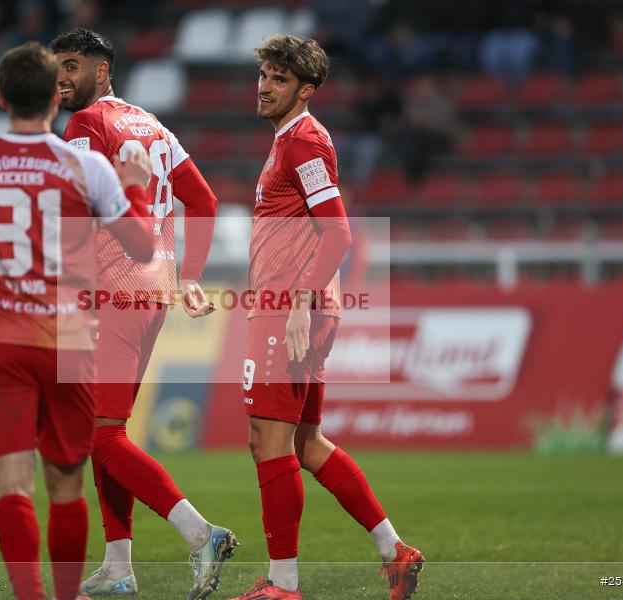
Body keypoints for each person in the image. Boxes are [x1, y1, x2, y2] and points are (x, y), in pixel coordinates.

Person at [0, 42, 155, 600]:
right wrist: (137, 185)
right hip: (66, 340)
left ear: (0, 98)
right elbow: (141, 247)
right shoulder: (87, 165)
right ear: (55, 96)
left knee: (12, 483)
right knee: (66, 484)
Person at [230, 35, 425, 600]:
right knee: (305, 442)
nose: (264, 86)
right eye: (263, 74)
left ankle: (282, 586)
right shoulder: (288, 141)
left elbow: (339, 231)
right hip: (299, 306)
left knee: (267, 440)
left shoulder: (304, 142)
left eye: (279, 79)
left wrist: (297, 303)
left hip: (291, 309)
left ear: (306, 90)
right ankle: (396, 551)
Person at [50, 28, 237, 599]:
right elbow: (202, 200)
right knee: (110, 430)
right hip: (154, 291)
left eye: (74, 65)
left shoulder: (84, 127)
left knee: (96, 437)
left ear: (102, 71)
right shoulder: (153, 125)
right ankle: (118, 566)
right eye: (58, 66)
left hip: (110, 290)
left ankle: (199, 532)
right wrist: (192, 277)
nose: (63, 77)